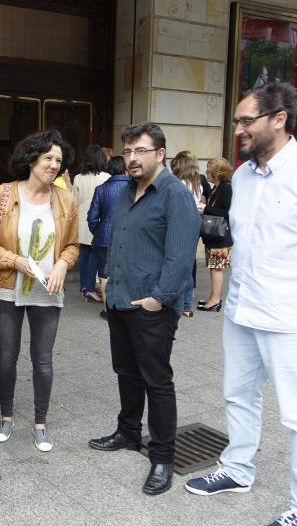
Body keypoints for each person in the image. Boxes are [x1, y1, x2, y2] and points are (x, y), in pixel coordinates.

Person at [184, 83, 297, 526]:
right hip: (243, 311)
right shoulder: (242, 176)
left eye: (247, 121)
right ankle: (238, 469)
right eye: (237, 121)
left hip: (296, 319)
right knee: (238, 396)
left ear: (279, 119)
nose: (238, 129)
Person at [88, 123, 200, 496]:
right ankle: (128, 431)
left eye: (140, 151)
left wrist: (158, 299)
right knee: (126, 372)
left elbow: (181, 257)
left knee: (157, 381)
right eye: (128, 151)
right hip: (119, 301)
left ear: (160, 153)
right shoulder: (125, 193)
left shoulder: (174, 195)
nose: (132, 158)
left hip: (151, 307)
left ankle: (163, 457)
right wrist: (106, 281)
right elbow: (118, 240)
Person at [0, 130, 79, 452]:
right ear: (32, 158)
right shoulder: (3, 195)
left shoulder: (65, 198)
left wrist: (64, 264)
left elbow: (73, 245)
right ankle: (6, 415)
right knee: (7, 356)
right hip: (7, 288)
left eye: (59, 161)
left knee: (43, 359)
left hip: (47, 290)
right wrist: (14, 260)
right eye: (48, 158)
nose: (54, 165)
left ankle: (40, 422)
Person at [87, 155, 129, 319]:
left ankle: (108, 309)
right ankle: (124, 308)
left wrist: (97, 231)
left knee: (104, 274)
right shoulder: (134, 187)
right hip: (128, 237)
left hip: (103, 238)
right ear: (125, 168)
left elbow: (92, 217)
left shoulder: (101, 189)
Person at [73, 145, 111, 301]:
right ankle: (89, 288)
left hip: (81, 221)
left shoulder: (78, 178)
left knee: (84, 256)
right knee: (95, 256)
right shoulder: (106, 177)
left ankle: (84, 287)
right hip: (99, 221)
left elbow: (74, 202)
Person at [197, 157, 234, 311]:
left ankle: (215, 300)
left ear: (218, 172)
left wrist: (206, 209)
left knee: (216, 268)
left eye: (209, 170)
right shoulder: (216, 187)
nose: (207, 173)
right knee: (213, 267)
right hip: (214, 236)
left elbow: (226, 212)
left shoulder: (226, 188)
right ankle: (213, 298)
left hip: (221, 237)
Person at [170, 150, 204, 317]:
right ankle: (187, 305)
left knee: (180, 264)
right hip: (194, 224)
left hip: (182, 225)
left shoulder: (180, 184)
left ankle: (181, 303)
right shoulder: (198, 183)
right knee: (189, 264)